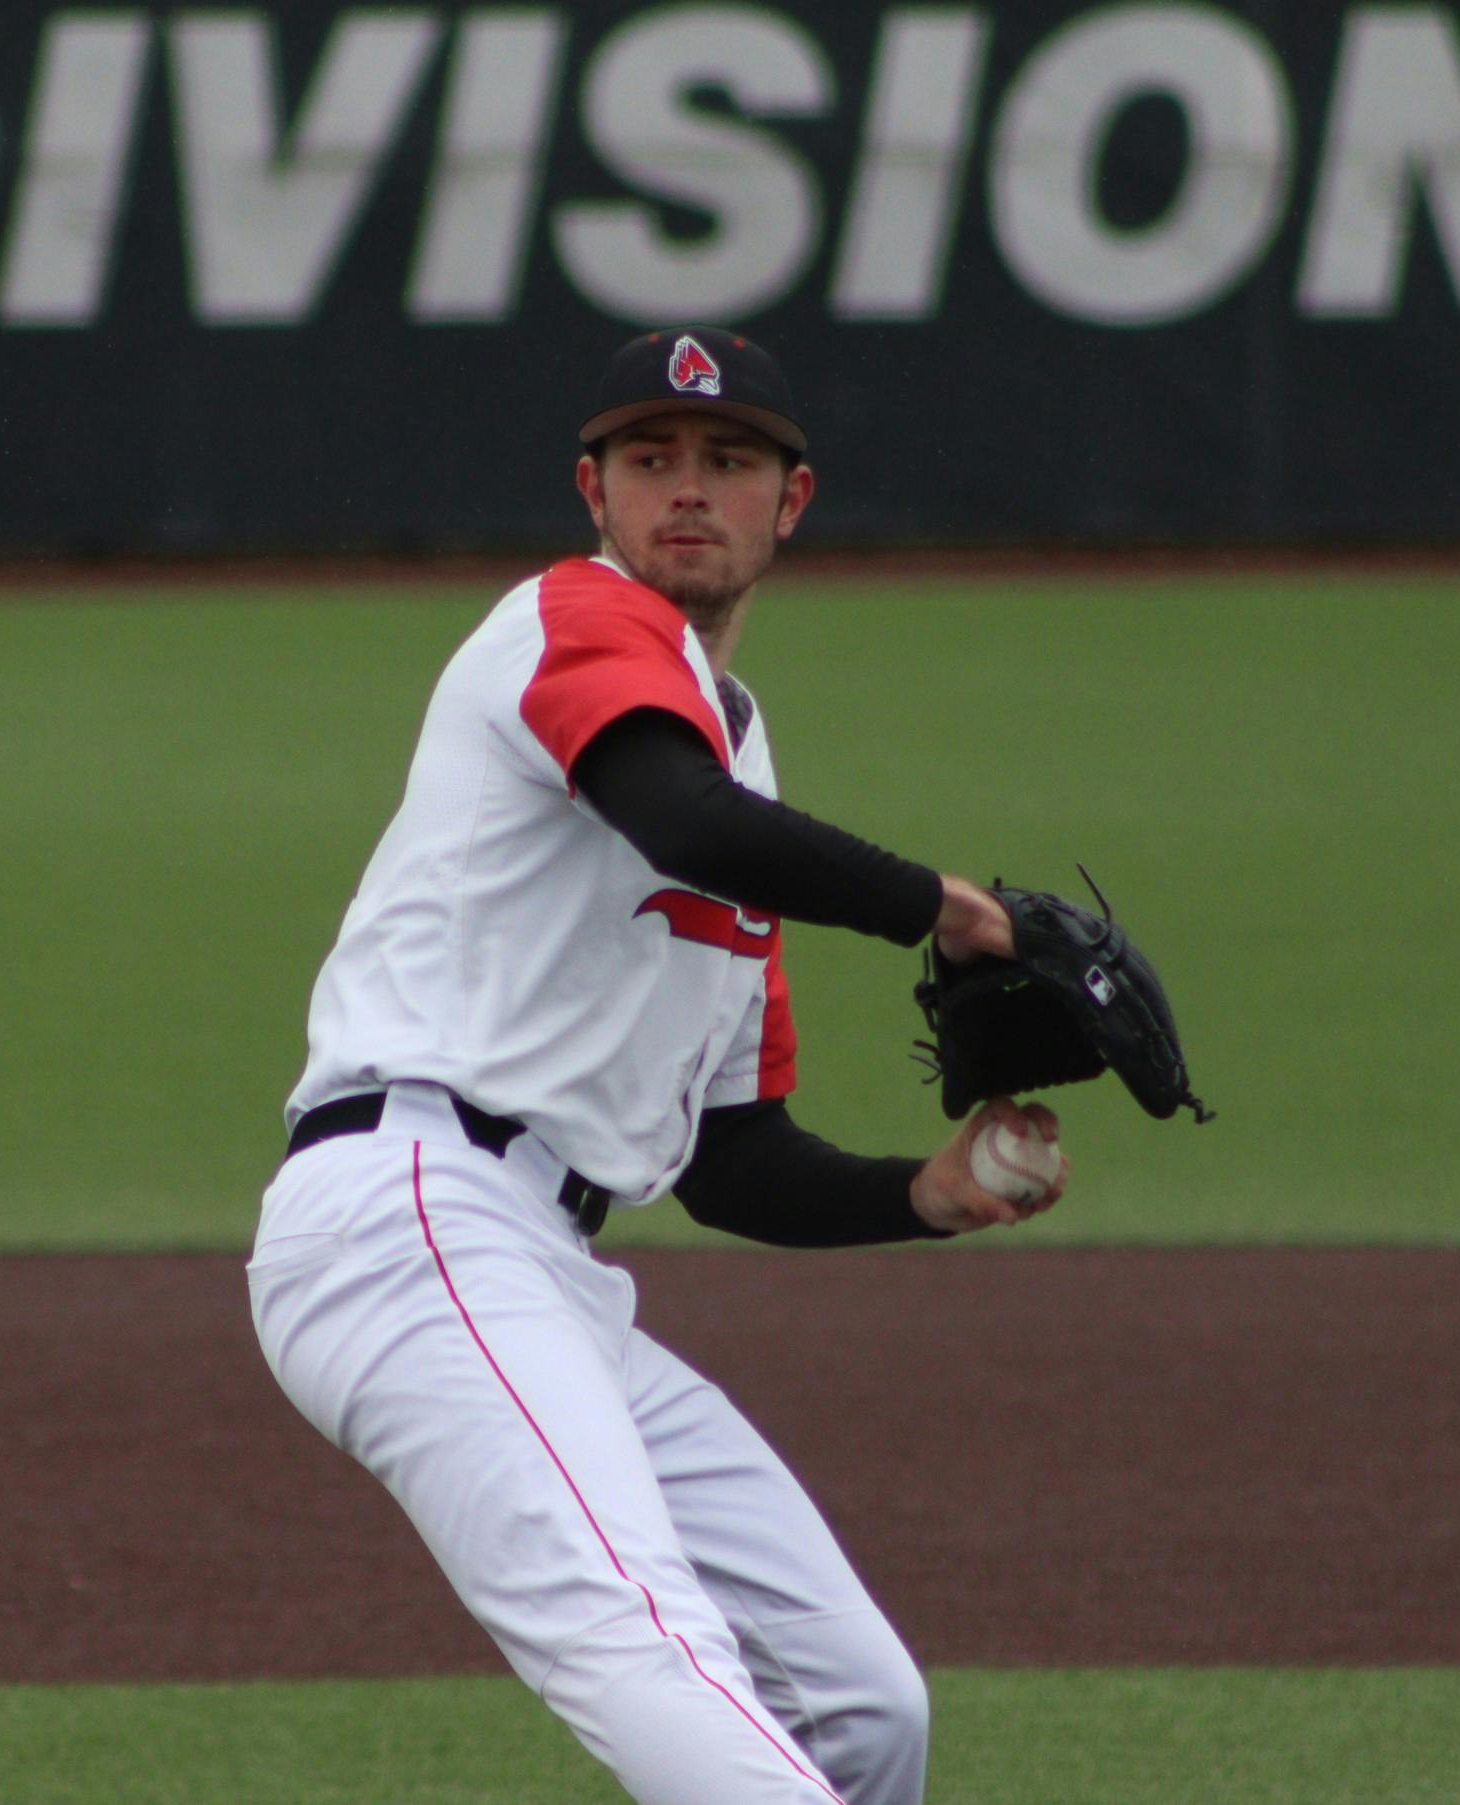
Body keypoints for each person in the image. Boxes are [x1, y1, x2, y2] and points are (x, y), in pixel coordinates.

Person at [248, 325, 1066, 1805]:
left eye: (729, 460)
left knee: (863, 1704)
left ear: (791, 500)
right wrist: (949, 905)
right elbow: (678, 823)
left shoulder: (745, 764)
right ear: (596, 492)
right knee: (647, 1647)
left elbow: (732, 1153)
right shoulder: (576, 621)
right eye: (651, 459)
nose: (688, 487)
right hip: (411, 1211)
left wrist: (929, 1193)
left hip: (548, 1265)